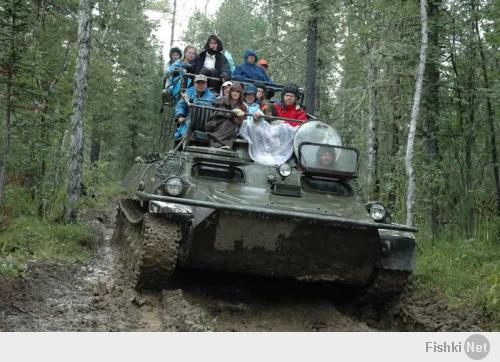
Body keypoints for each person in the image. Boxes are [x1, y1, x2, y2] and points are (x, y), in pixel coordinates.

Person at [173, 74, 216, 141]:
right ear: (194, 83)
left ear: (206, 84)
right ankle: (184, 143)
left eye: (203, 83)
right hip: (189, 119)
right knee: (182, 133)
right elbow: (180, 105)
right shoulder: (188, 92)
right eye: (198, 83)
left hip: (205, 122)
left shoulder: (212, 97)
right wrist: (180, 116)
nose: (200, 85)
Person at [206, 83, 247, 149]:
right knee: (225, 123)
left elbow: (241, 121)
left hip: (232, 125)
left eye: (237, 92)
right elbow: (217, 113)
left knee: (228, 124)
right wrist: (231, 114)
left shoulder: (242, 106)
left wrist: (235, 116)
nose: (235, 93)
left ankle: (221, 144)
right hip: (217, 122)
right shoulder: (222, 100)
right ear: (230, 92)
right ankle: (219, 144)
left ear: (240, 93)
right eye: (233, 91)